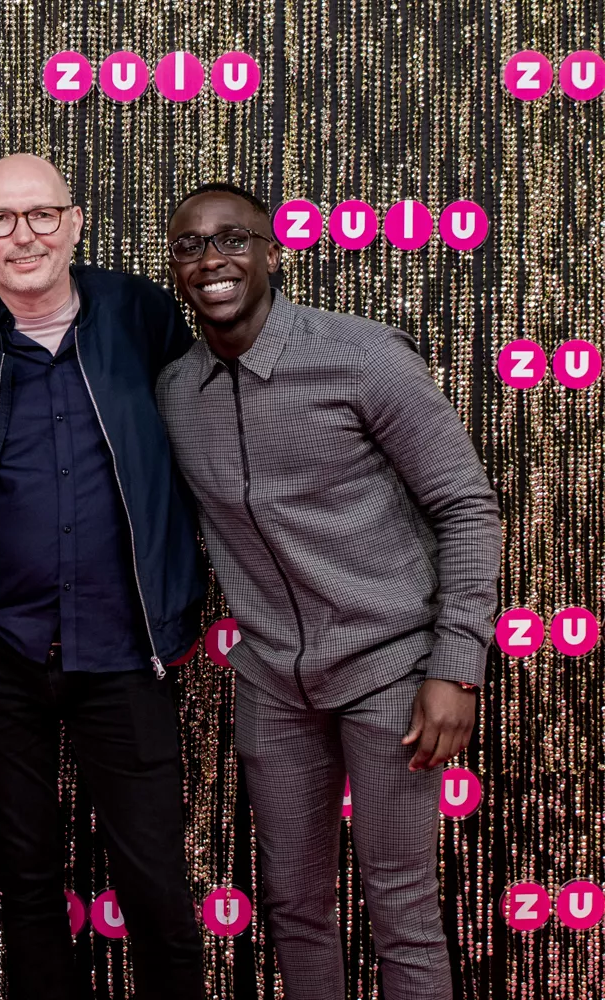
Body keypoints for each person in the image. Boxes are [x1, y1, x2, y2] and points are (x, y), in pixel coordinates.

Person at [156, 182, 502, 999]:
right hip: (273, 683)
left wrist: (457, 667)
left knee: (402, 908)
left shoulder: (362, 356)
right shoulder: (175, 391)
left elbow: (466, 506)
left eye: (233, 239)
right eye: (190, 246)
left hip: (390, 671)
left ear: (272, 253)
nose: (212, 260)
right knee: (294, 905)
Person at [0, 154, 207, 999]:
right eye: (1, 220)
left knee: (155, 880)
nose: (25, 237)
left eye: (43, 215)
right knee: (26, 881)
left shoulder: (142, 314)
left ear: (75, 223)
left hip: (124, 648)